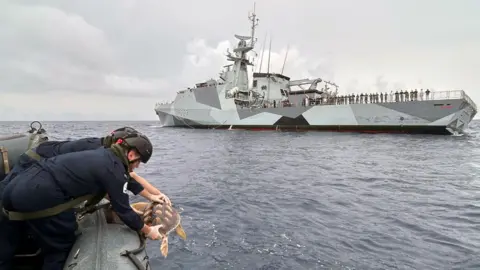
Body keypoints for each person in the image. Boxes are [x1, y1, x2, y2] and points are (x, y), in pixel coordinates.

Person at [0, 132, 164, 270]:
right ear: (132, 154)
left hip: (17, 184)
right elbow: (124, 210)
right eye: (138, 162)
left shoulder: (103, 154)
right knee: (60, 245)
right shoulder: (113, 168)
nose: (137, 167)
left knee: (10, 235)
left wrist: (150, 196)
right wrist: (149, 231)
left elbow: (124, 178)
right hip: (36, 193)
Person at [0, 126, 170, 206]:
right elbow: (125, 178)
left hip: (42, 169)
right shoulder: (100, 155)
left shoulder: (106, 153)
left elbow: (126, 176)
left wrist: (155, 196)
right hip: (33, 164)